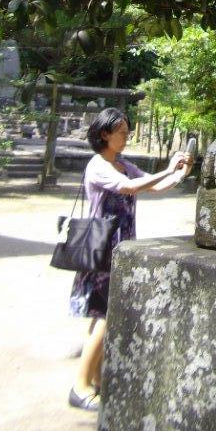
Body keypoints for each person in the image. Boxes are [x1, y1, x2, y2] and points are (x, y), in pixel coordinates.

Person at [68, 107, 193, 411]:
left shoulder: (122, 164)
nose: (126, 136)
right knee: (106, 316)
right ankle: (80, 386)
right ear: (104, 135)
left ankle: (97, 380)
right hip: (103, 250)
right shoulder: (99, 166)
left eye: (127, 131)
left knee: (102, 317)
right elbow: (128, 188)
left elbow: (156, 185)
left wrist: (180, 171)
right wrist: (168, 169)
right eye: (121, 131)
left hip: (122, 248)